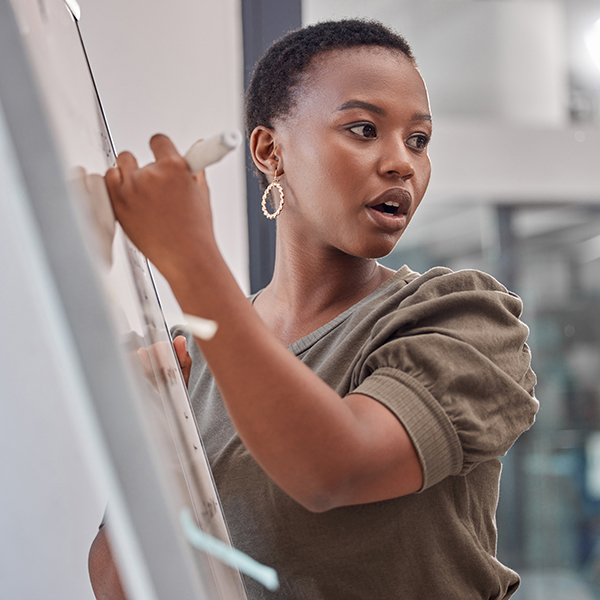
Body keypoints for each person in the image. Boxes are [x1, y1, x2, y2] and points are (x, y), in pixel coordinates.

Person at [90, 19, 538, 599]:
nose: (402, 162)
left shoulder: (467, 319)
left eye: (419, 140)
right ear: (270, 151)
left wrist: (190, 258)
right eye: (363, 128)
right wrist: (146, 433)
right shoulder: (189, 361)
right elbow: (118, 588)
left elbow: (334, 469)